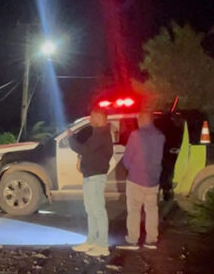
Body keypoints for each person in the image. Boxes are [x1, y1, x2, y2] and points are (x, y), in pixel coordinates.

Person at [69, 106, 114, 257]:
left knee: (98, 210)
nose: (90, 119)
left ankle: (102, 245)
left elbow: (84, 149)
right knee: (91, 210)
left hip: (95, 177)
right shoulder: (99, 133)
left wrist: (70, 137)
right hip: (90, 175)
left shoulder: (102, 134)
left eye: (93, 116)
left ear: (100, 117)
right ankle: (91, 240)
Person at [118, 110, 165, 250]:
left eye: (139, 119)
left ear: (143, 120)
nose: (137, 122)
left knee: (134, 210)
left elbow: (127, 158)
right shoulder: (160, 136)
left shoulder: (135, 135)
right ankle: (151, 239)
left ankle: (133, 239)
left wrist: (130, 168)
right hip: (153, 180)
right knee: (151, 209)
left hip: (136, 179)